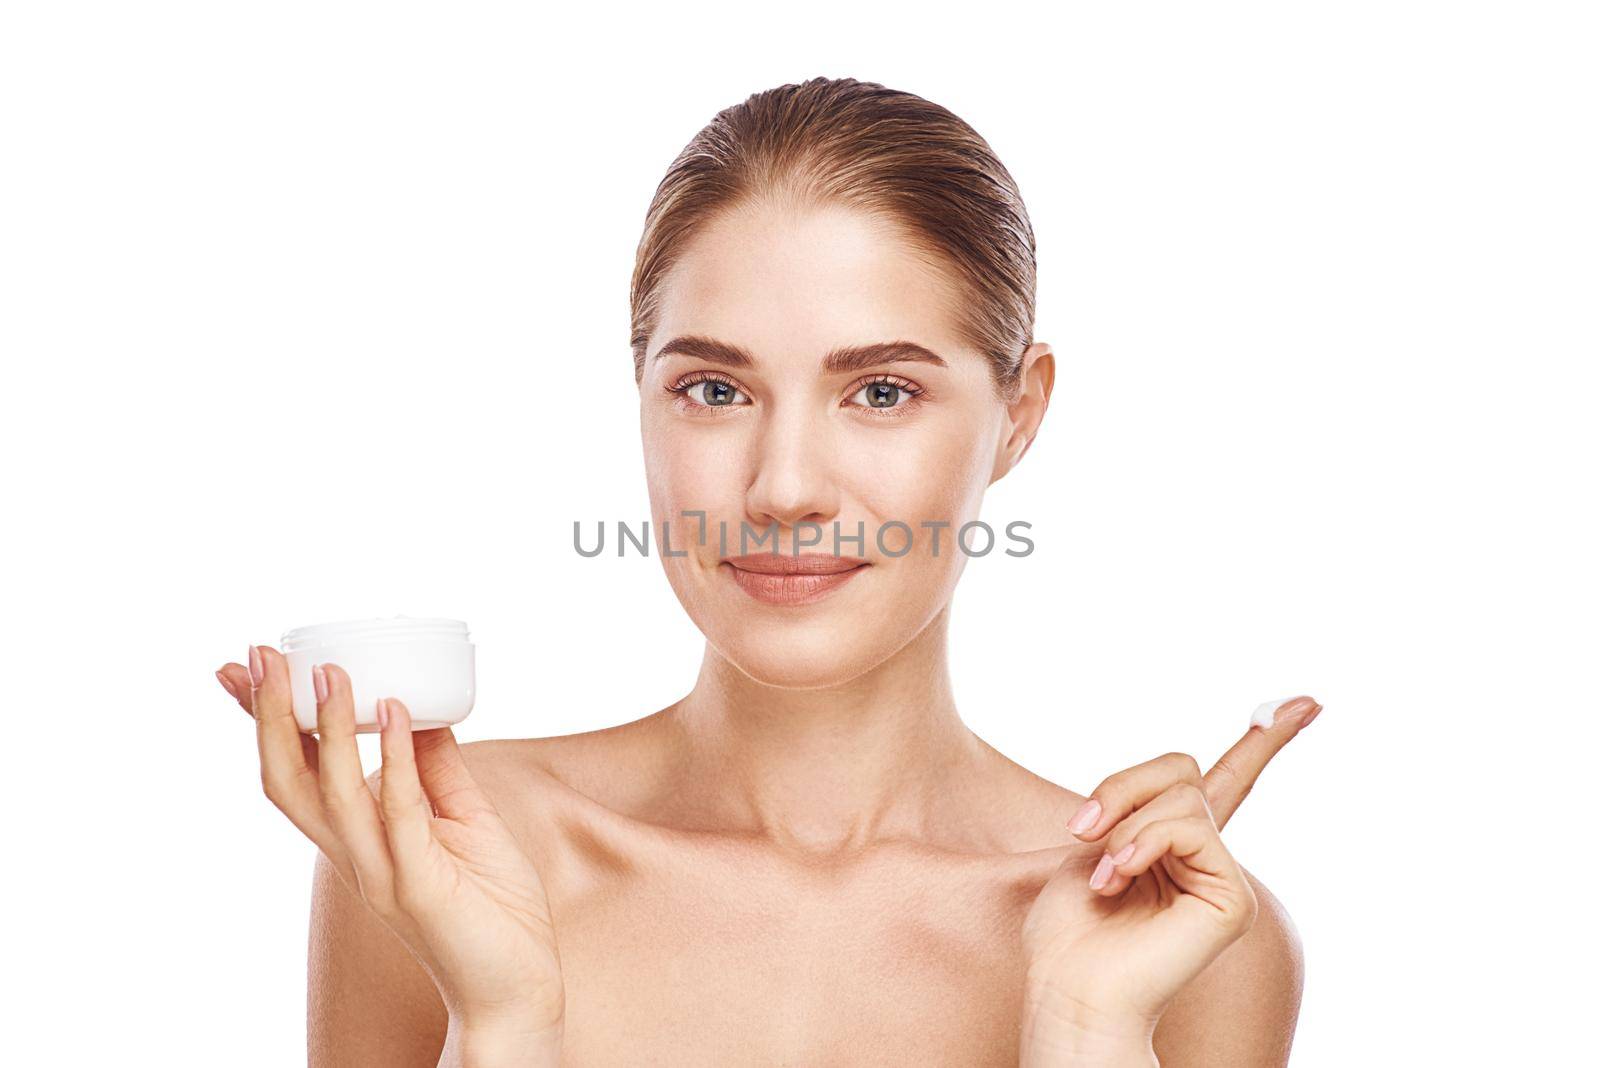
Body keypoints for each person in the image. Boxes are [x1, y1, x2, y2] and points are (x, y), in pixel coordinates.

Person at [215, 76, 1316, 1066]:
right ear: (641, 394)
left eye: (881, 391)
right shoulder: (445, 854)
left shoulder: (1184, 935)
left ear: (1018, 413)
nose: (785, 488)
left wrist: (1085, 1036)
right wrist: (504, 1026)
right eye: (714, 390)